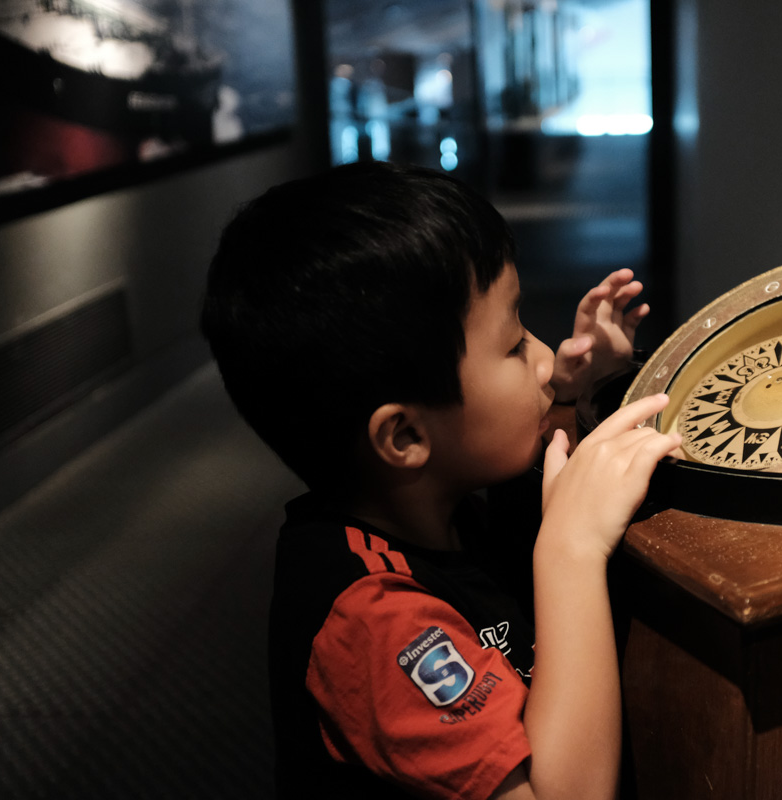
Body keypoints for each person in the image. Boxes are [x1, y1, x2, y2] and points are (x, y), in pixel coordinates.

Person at [200, 160, 680, 800]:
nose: (543, 359)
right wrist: (571, 550)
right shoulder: (371, 621)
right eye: (513, 347)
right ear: (404, 438)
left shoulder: (437, 502)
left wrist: (575, 390)